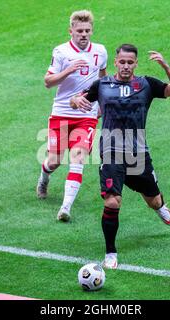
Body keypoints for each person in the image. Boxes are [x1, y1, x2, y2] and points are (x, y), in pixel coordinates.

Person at [70, 44, 170, 269]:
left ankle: (160, 206)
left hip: (138, 152)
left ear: (136, 64)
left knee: (153, 200)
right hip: (111, 152)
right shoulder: (102, 85)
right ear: (115, 62)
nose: (125, 66)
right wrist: (76, 101)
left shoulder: (146, 84)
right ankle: (110, 252)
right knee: (112, 201)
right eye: (122, 62)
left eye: (130, 62)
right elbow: (77, 99)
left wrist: (167, 67)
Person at [37, 10, 108, 222]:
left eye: (87, 30)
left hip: (87, 113)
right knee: (55, 161)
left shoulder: (100, 51)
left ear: (92, 30)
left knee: (78, 157)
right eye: (79, 31)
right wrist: (68, 70)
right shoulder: (61, 52)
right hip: (61, 112)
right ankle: (44, 178)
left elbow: (103, 78)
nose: (84, 34)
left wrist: (102, 104)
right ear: (71, 31)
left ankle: (65, 207)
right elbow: (48, 82)